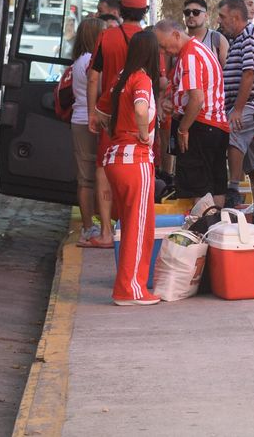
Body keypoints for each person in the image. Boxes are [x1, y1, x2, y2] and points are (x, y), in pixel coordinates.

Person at [101, 29, 164, 306]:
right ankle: (131, 289)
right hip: (135, 160)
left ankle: (126, 286)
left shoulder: (119, 78)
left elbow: (99, 115)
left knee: (129, 226)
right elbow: (141, 109)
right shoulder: (142, 79)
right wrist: (141, 133)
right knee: (140, 228)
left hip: (114, 158)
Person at [89, 0, 151, 240]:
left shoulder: (107, 37)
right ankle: (130, 230)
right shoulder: (150, 39)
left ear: (121, 10)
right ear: (144, 11)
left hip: (111, 117)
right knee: (137, 175)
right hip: (141, 117)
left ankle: (105, 231)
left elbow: (94, 77)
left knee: (104, 170)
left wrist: (92, 111)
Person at [154, 19, 230, 204]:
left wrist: (183, 129)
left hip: (201, 126)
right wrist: (174, 104)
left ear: (176, 35)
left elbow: (197, 98)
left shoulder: (190, 55)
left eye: (164, 46)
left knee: (198, 188)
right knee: (216, 185)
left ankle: (201, 229)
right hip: (216, 126)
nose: (163, 52)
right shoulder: (198, 49)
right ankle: (214, 227)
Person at [217, 0, 254, 214]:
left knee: (233, 130)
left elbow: (249, 74)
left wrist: (238, 109)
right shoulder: (240, 37)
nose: (220, 21)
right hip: (247, 102)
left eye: (223, 17)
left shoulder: (250, 37)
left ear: (234, 17)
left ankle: (232, 188)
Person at [69, 17, 109, 247]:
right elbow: (101, 87)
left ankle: (91, 224)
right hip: (88, 121)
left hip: (80, 120)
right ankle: (89, 227)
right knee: (89, 177)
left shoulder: (80, 60)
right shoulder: (90, 62)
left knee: (87, 177)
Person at [182, 0, 229, 67]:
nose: (191, 15)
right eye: (187, 12)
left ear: (206, 16)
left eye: (196, 12)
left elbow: (227, 71)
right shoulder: (176, 39)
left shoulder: (217, 39)